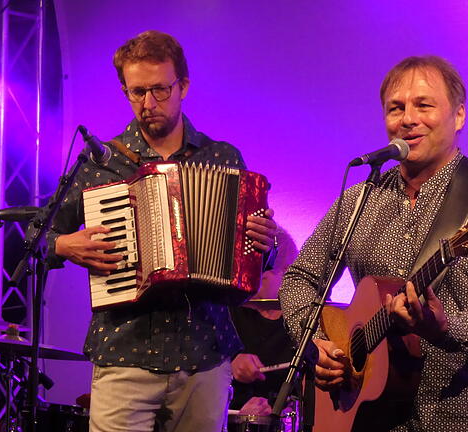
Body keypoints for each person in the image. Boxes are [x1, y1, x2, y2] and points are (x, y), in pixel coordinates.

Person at [279, 55, 468, 432]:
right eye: (395, 108)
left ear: (459, 116)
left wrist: (444, 328)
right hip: (373, 417)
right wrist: (320, 344)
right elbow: (300, 278)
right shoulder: (358, 201)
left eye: (424, 105)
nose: (408, 119)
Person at [46, 30, 277, 432]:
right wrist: (65, 244)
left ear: (182, 86)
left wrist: (264, 242)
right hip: (124, 352)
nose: (148, 104)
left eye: (159, 90)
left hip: (205, 356)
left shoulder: (222, 157)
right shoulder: (101, 162)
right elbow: (40, 238)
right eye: (136, 92)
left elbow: (255, 259)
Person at [228, 226, 299, 417]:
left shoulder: (302, 319)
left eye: (260, 277)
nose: (247, 285)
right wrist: (230, 365)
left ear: (287, 273)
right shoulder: (230, 310)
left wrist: (279, 411)